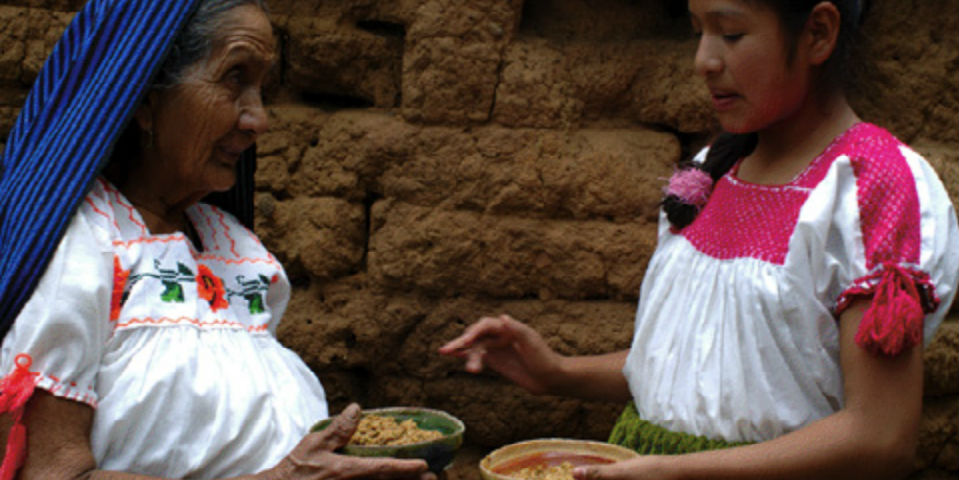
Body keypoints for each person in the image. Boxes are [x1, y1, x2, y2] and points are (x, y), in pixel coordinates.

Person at [440, 1, 959, 479]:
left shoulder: (868, 188)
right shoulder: (713, 171)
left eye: (730, 34)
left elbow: (880, 436)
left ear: (818, 33)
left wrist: (675, 472)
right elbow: (708, 374)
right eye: (698, 32)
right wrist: (557, 372)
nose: (704, 61)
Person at [0, 1, 434, 479]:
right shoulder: (82, 247)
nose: (258, 119)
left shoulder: (233, 246)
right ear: (146, 97)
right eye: (234, 78)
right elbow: (49, 473)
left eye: (261, 89)